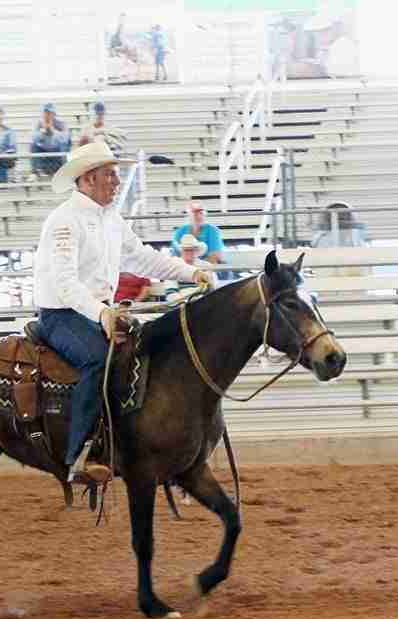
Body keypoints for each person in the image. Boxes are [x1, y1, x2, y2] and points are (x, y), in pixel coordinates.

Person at [33, 141, 215, 484]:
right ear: (87, 179)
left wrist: (191, 273)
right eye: (110, 175)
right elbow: (63, 282)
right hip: (61, 314)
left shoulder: (110, 219)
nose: (117, 182)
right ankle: (79, 454)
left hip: (98, 311)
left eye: (116, 175)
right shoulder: (64, 221)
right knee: (98, 360)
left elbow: (144, 257)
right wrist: (102, 313)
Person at [171, 200, 233, 279]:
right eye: (194, 212)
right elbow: (175, 255)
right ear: (189, 215)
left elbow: (215, 257)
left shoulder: (212, 230)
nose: (198, 215)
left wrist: (198, 269)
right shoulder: (180, 231)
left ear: (205, 214)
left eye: (201, 212)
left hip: (206, 267)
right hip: (184, 267)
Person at [311, 201, 370, 277]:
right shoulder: (321, 242)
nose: (339, 217)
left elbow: (363, 271)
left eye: (343, 216)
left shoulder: (360, 245)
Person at [30, 102, 71, 179]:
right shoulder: (39, 124)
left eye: (49, 113)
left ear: (54, 114)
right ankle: (34, 173)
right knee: (33, 145)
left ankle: (65, 173)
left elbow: (65, 139)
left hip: (57, 154)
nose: (47, 115)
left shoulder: (61, 124)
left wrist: (52, 131)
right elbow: (33, 137)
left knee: (65, 144)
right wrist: (43, 132)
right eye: (46, 112)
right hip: (44, 153)